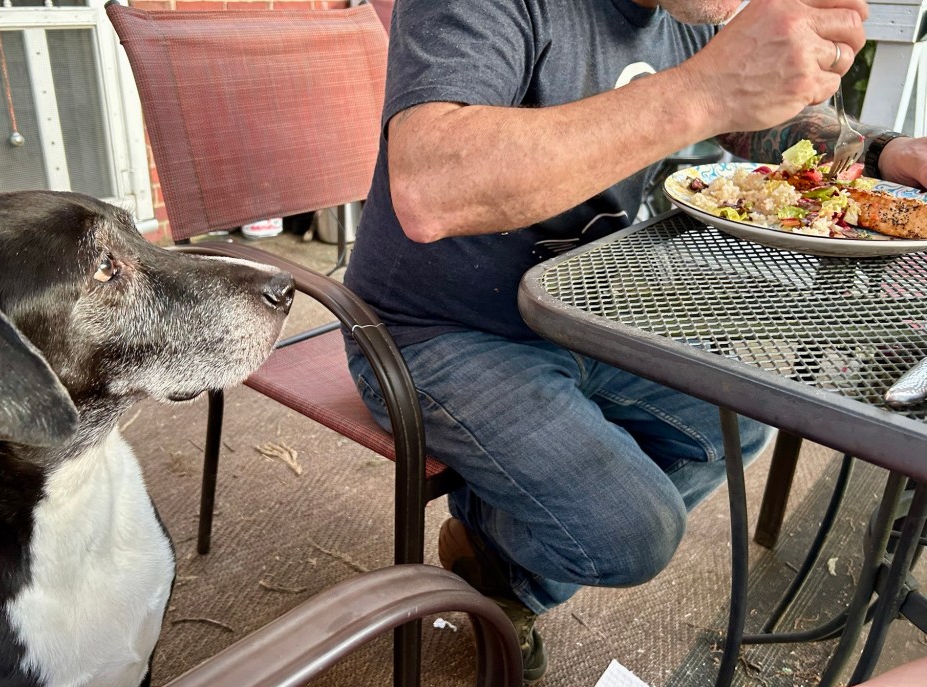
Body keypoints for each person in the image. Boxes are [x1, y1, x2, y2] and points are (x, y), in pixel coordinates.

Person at [342, 0, 927, 683]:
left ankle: (501, 558)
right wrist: (701, 89)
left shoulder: (683, 9)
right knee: (633, 534)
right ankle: (498, 559)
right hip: (429, 328)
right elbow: (431, 185)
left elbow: (754, 124)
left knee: (733, 425)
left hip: (580, 304)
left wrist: (884, 151)